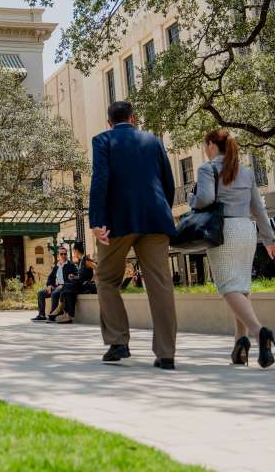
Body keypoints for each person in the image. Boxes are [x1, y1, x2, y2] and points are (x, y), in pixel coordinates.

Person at [89, 101, 178, 369]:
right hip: (155, 218)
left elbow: (100, 178)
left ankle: (118, 341)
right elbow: (168, 181)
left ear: (109, 122)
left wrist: (97, 221)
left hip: (117, 221)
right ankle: (166, 354)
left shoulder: (103, 140)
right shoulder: (153, 141)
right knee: (160, 284)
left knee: (106, 278)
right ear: (133, 118)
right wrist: (163, 210)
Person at [190, 129, 275, 368]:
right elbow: (258, 209)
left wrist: (193, 198)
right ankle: (240, 345)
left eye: (204, 145)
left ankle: (260, 331)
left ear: (211, 144)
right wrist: (270, 240)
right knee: (240, 287)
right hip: (246, 230)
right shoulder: (246, 172)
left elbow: (205, 200)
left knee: (227, 286)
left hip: (223, 230)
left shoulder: (207, 168)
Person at [55, 243, 96, 323]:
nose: (73, 253)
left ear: (76, 251)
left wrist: (93, 280)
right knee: (68, 291)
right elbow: (81, 276)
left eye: (73, 251)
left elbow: (98, 269)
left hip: (85, 286)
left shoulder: (86, 260)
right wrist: (74, 276)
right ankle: (68, 314)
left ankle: (61, 309)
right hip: (79, 285)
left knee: (66, 287)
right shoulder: (80, 262)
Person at [31, 248, 75, 322]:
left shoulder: (71, 265)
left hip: (64, 287)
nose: (64, 255)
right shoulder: (56, 266)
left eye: (65, 254)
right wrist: (49, 285)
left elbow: (74, 277)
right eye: (61, 254)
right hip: (55, 287)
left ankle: (52, 315)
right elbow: (50, 277)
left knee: (54, 293)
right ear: (58, 255)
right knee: (40, 293)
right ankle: (41, 315)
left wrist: (63, 285)